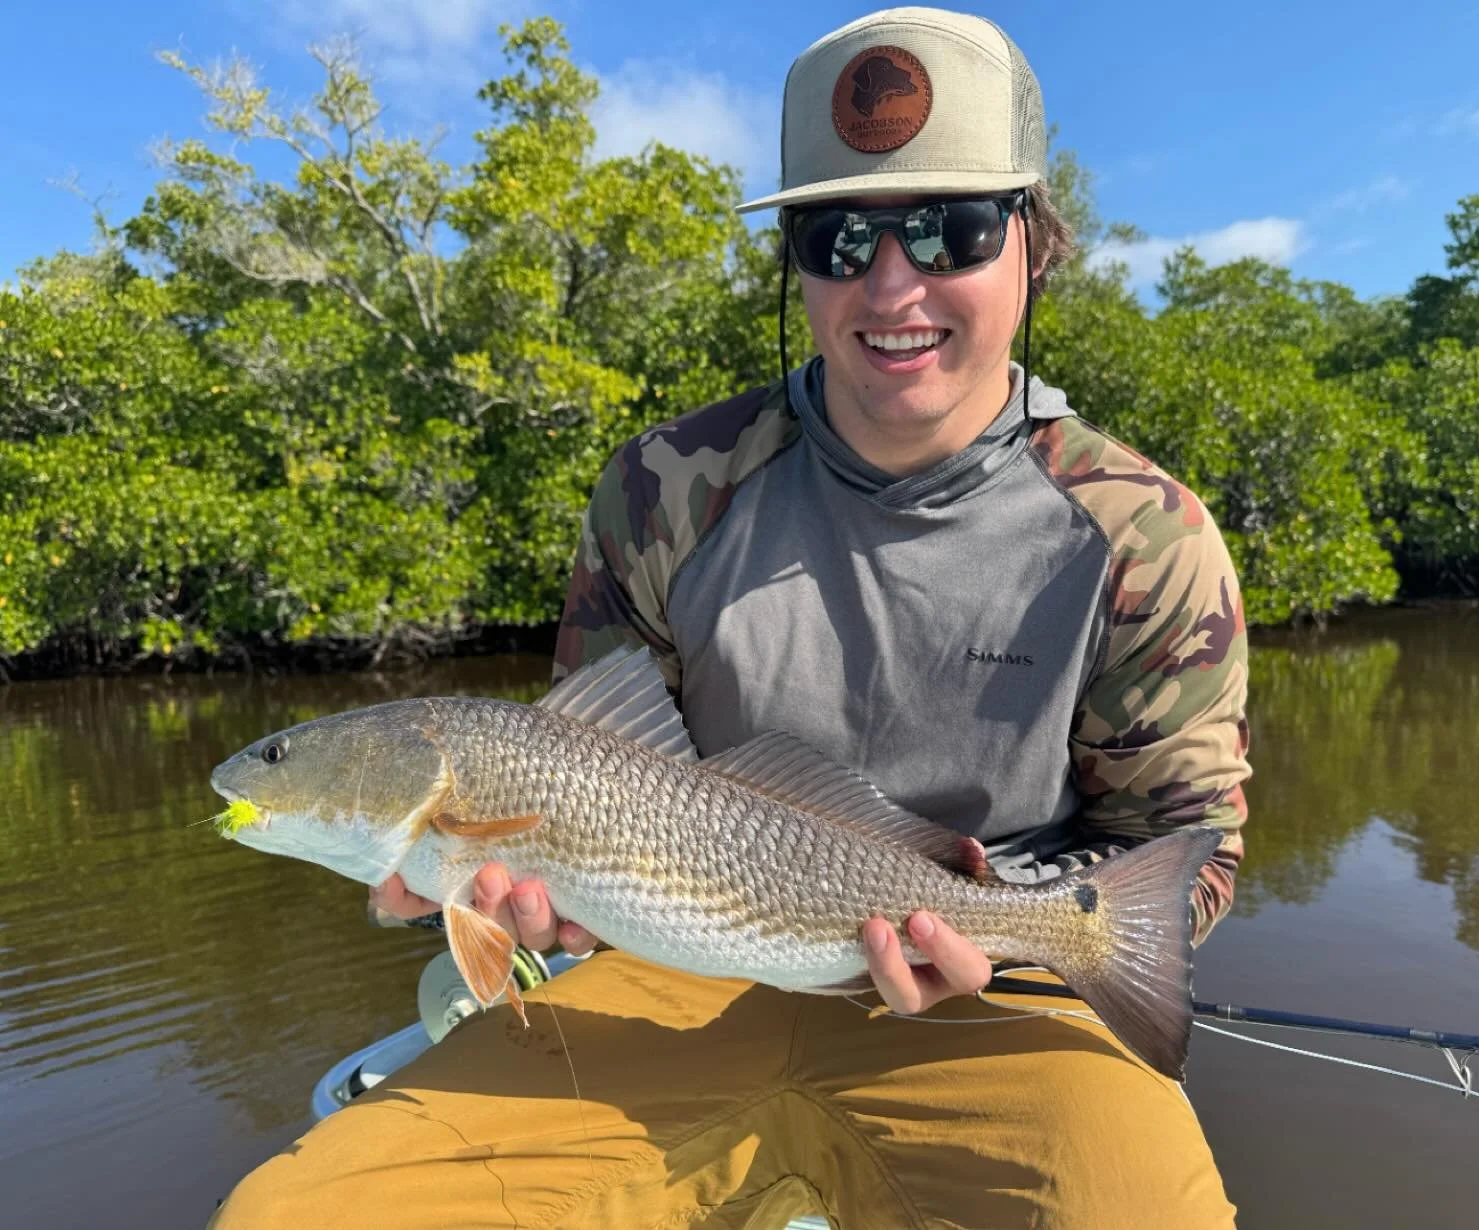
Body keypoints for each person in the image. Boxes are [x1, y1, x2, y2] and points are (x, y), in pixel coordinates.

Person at [210, 7, 1249, 1227]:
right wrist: (539, 911)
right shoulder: (662, 488)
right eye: (837, 235)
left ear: (1032, 246)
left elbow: (1185, 852)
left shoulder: (1142, 533)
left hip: (988, 1009)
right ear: (796, 264)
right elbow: (590, 767)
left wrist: (1000, 923)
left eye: (949, 229)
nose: (892, 281)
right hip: (672, 975)